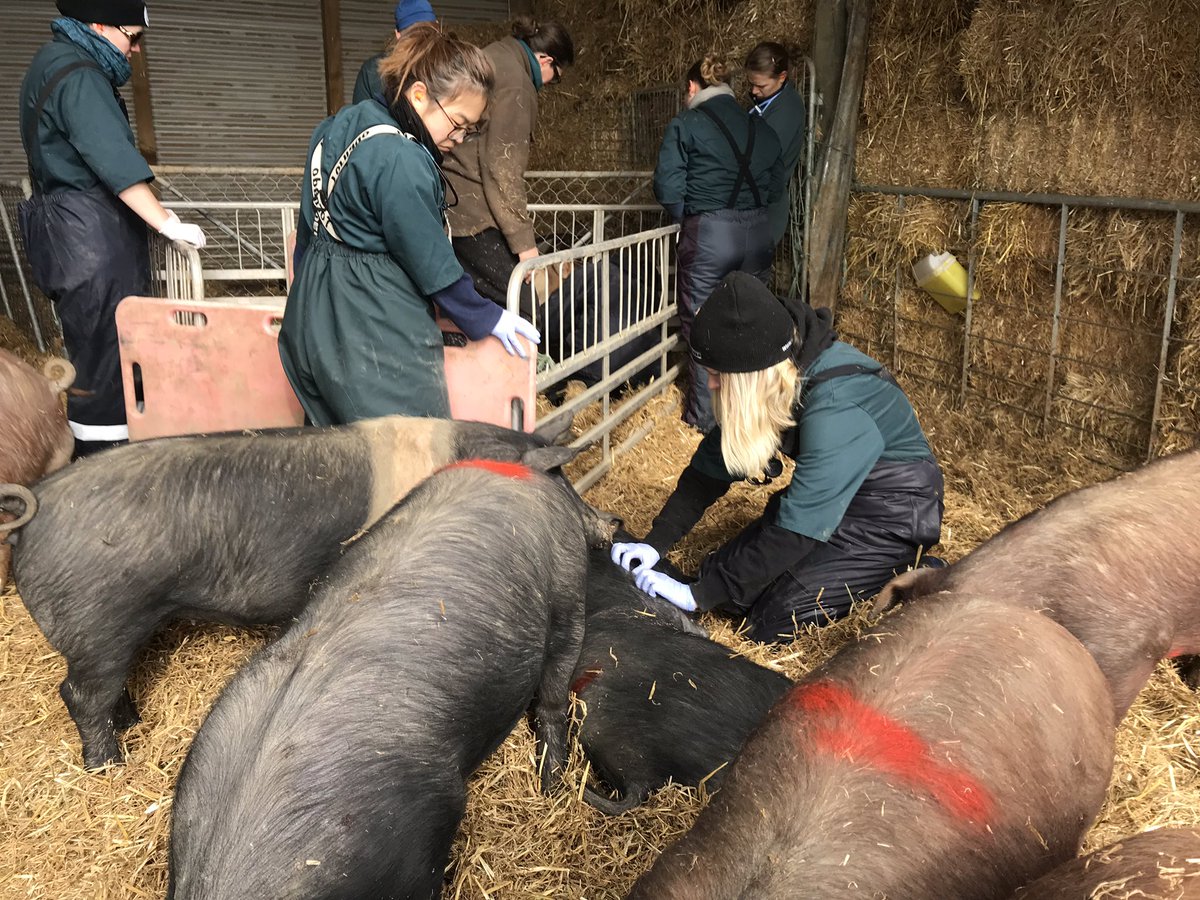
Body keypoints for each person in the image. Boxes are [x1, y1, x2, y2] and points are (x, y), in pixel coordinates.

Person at [611, 272, 944, 644]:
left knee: (773, 624)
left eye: (718, 375)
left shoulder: (837, 405)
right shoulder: (775, 362)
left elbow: (796, 530)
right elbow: (710, 469)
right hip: (831, 499)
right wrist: (655, 543)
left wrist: (696, 596)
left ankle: (909, 569)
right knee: (726, 590)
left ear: (750, 374)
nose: (711, 386)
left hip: (888, 515)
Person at [278, 23, 540, 426]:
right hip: (370, 329)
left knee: (337, 453)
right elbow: (431, 264)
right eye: (458, 122)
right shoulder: (402, 158)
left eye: (469, 130)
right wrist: (487, 316)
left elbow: (308, 229)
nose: (459, 137)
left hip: (310, 318)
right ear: (419, 96)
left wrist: (307, 302)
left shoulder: (337, 127)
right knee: (412, 452)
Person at [18, 0, 207, 457]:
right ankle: (107, 468)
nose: (136, 50)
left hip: (69, 231)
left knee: (94, 354)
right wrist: (168, 224)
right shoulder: (79, 75)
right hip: (91, 240)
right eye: (133, 36)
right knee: (109, 358)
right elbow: (116, 164)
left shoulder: (53, 61)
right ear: (98, 24)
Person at [653, 54, 783, 434]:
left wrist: (690, 219)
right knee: (753, 320)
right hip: (758, 232)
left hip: (710, 234)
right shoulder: (762, 130)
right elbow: (775, 187)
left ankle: (706, 421)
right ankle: (753, 413)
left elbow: (667, 186)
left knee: (703, 321)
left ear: (693, 87)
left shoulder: (686, 124)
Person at [442, 16, 574, 309]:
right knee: (519, 306)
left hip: (446, 200)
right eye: (557, 75)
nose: (552, 84)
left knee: (463, 301)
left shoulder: (493, 54)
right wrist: (525, 246)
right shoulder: (517, 85)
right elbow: (502, 169)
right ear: (545, 60)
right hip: (470, 211)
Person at [745, 41, 806, 246]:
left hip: (765, 211)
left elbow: (761, 159)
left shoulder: (787, 110)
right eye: (751, 84)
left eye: (760, 86)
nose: (754, 91)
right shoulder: (766, 103)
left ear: (782, 77)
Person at [351, 0, 437, 105]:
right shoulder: (452, 65)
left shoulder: (373, 69)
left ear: (398, 34)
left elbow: (361, 117)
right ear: (437, 26)